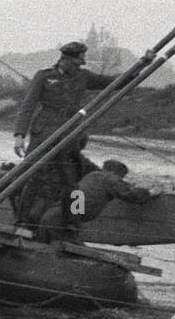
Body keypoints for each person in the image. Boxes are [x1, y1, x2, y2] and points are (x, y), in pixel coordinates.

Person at [13, 40, 122, 228]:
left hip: (70, 135)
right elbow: (28, 106)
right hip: (44, 132)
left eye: (80, 64)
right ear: (64, 59)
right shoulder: (44, 76)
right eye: (74, 63)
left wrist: (144, 65)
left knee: (73, 182)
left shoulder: (83, 77)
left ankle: (72, 222)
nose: (77, 67)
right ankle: (21, 221)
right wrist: (19, 135)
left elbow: (113, 82)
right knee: (32, 176)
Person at [37, 158, 155, 243]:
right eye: (120, 178)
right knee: (72, 252)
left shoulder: (92, 175)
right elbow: (131, 196)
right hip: (61, 222)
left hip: (50, 217)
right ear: (114, 173)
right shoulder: (109, 180)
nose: (120, 180)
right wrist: (150, 193)